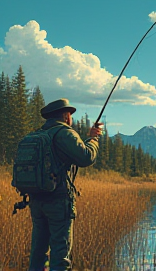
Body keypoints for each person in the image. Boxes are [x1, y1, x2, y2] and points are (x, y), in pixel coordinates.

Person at [28, 98, 103, 271]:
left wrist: (88, 138)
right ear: (65, 115)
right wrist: (93, 140)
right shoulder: (64, 133)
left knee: (38, 252)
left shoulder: (40, 134)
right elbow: (85, 158)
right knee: (60, 255)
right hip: (58, 202)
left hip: (36, 200)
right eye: (70, 115)